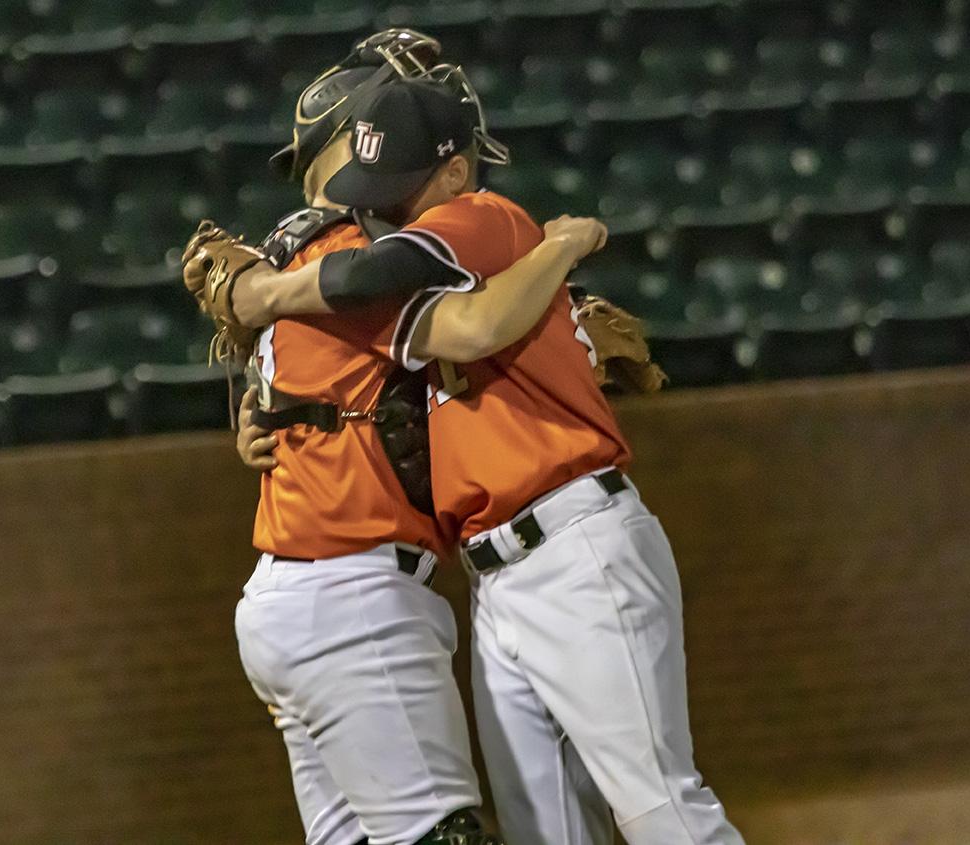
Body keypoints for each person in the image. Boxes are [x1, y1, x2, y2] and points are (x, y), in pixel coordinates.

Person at [204, 76, 746, 845]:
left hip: (573, 543)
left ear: (455, 170)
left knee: (658, 807)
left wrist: (268, 294)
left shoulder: (481, 215)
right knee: (544, 830)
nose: (381, 203)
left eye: (398, 182)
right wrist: (271, 414)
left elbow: (446, 316)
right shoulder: (435, 273)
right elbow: (361, 378)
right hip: (495, 577)